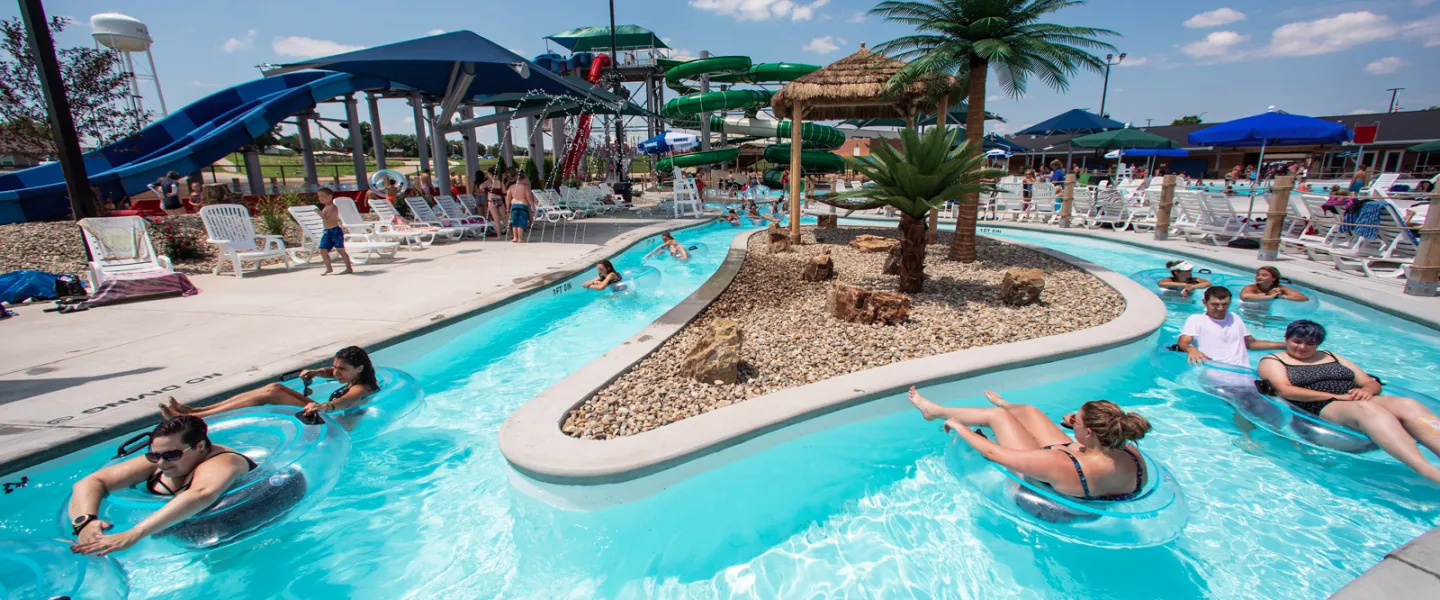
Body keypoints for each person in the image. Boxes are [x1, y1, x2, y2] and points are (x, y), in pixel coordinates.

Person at [1258, 320, 1440, 484]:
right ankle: (1429, 471)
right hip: (1323, 404)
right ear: (1287, 339)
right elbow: (1285, 390)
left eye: (1310, 344)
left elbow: (1369, 381)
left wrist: (1367, 390)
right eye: (1297, 341)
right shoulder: (1274, 360)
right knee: (1365, 409)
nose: (1303, 347)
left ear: (1318, 344)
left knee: (1408, 404)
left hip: (1355, 397)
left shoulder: (1331, 356)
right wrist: (1338, 397)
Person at [908, 387, 1149, 501]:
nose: (1070, 418)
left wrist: (959, 426)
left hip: (1050, 489)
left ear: (1088, 432)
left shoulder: (1060, 463)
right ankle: (1007, 404)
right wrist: (1076, 430)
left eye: (1076, 418)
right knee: (1030, 411)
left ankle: (935, 412)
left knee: (997, 418)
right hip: (1080, 470)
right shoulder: (1132, 454)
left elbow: (992, 452)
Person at [68, 415, 256, 556]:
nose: (161, 463)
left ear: (199, 447)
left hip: (235, 533)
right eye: (154, 455)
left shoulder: (224, 461)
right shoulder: (161, 460)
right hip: (183, 536)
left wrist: (134, 533)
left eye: (172, 455)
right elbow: (90, 482)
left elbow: (201, 494)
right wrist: (85, 523)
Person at [162, 346, 379, 419]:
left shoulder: (361, 387)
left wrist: (324, 406)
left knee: (272, 394)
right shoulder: (354, 375)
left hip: (333, 422)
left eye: (342, 369)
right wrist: (315, 371)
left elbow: (345, 403)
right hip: (323, 412)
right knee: (275, 387)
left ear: (359, 368)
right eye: (337, 367)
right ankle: (196, 410)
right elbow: (328, 372)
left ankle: (196, 417)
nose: (337, 372)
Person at [1176, 286, 1286, 368]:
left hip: (1243, 373)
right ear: (1204, 302)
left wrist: (1285, 345)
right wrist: (1191, 349)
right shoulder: (1197, 319)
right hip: (1215, 375)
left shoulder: (1234, 317)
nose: (1220, 308)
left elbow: (1251, 343)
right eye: (1215, 304)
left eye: (1225, 304)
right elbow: (1183, 342)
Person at [311, 188, 354, 276]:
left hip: (335, 231)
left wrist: (318, 212)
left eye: (323, 196)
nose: (321, 198)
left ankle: (349, 268)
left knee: (340, 250)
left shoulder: (332, 207)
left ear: (330, 197)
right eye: (319, 196)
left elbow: (326, 217)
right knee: (322, 250)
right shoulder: (326, 207)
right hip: (327, 232)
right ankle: (329, 268)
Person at [1240, 266, 1309, 302]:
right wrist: (1270, 296)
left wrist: (1281, 296)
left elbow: (1304, 298)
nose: (1259, 277)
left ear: (1274, 278)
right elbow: (1244, 296)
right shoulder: (1252, 288)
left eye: (1264, 275)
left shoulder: (1281, 288)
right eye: (1258, 275)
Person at [507, 172, 535, 243]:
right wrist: (533, 206)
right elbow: (529, 198)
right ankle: (520, 238)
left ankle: (515, 237)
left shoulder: (511, 187)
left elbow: (508, 198)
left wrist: (507, 207)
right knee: (521, 223)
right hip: (523, 206)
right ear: (523, 179)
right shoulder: (525, 187)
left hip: (514, 206)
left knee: (514, 223)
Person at [478, 170, 507, 234]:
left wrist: (489, 189)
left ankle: (499, 235)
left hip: (492, 200)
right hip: (499, 200)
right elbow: (504, 193)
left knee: (496, 219)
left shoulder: (487, 182)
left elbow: (481, 187)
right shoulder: (499, 182)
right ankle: (510, 233)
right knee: (504, 218)